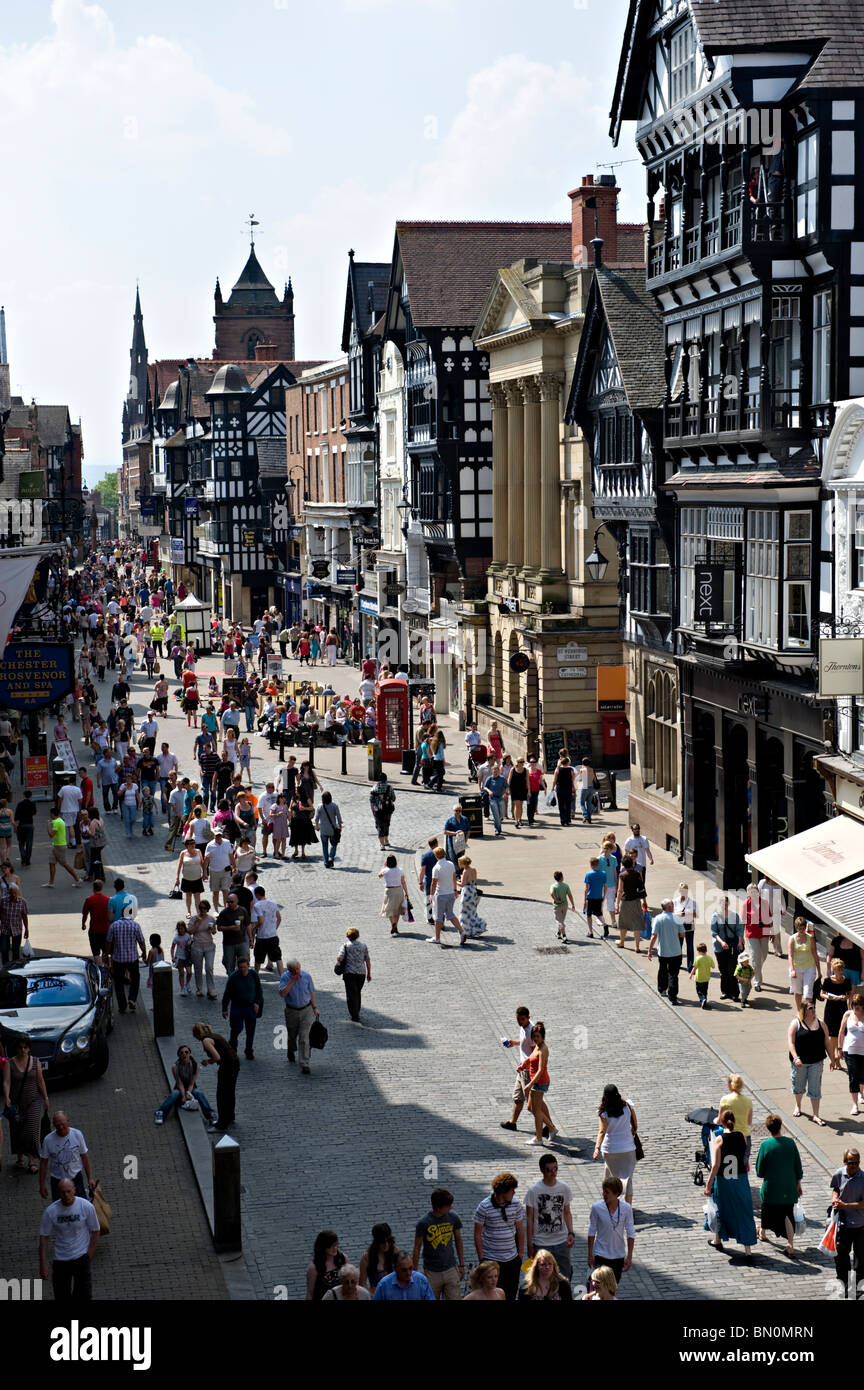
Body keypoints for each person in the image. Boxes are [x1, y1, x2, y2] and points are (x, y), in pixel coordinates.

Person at [39, 1177, 101, 1304]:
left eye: (68, 1191)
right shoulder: (51, 1212)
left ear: (74, 1190)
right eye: (63, 1192)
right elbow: (44, 1238)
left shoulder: (86, 1206)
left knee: (84, 1295)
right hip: (61, 1260)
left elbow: (95, 1231)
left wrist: (88, 1255)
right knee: (62, 1296)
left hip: (81, 1257)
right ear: (58, 1192)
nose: (66, 1195)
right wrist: (43, 1264)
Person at [754, 1113, 803, 1258]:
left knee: (766, 1210)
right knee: (788, 1215)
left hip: (772, 1188)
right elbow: (798, 1166)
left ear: (768, 1128)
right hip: (789, 1187)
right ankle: (790, 1245)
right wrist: (798, 1183)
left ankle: (762, 1233)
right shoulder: (791, 1143)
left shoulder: (765, 1145)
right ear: (780, 1126)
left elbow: (759, 1171)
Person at [473, 1173, 524, 1301]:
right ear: (503, 1191)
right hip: (492, 1260)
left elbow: (519, 1228)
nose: (513, 1193)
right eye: (511, 1190)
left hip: (512, 1259)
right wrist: (482, 1259)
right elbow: (477, 1234)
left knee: (511, 1293)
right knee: (493, 1295)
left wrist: (521, 1254)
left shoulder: (516, 1204)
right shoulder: (484, 1207)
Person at [524, 1153, 575, 1283]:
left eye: (555, 1168)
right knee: (541, 1281)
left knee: (564, 1279)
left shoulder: (564, 1188)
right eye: (549, 1170)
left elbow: (567, 1212)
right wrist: (529, 1243)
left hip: (561, 1242)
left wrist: (571, 1232)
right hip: (541, 1243)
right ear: (542, 1170)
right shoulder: (534, 1191)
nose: (553, 1173)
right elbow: (529, 1218)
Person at [2, 1035, 48, 1173]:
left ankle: (32, 1161)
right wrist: (7, 1097)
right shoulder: (10, 1063)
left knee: (32, 1131)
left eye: (25, 1047)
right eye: (20, 1047)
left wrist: (45, 1097)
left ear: (29, 1049)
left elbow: (40, 1081)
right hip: (17, 1103)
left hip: (33, 1101)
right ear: (16, 1049)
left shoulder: (35, 1062)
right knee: (17, 1130)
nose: (23, 1050)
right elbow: (6, 1082)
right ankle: (20, 1158)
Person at [412, 1189, 464, 1300]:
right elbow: (417, 1248)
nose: (451, 1207)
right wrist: (414, 1273)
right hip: (431, 1272)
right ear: (438, 1207)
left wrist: (461, 1264)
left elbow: (458, 1240)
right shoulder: (423, 1223)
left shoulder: (453, 1218)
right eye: (448, 1205)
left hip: (451, 1269)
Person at [593, 1084, 638, 1203]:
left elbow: (602, 1131)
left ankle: (609, 1203)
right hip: (628, 1149)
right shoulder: (627, 1106)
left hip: (610, 1149)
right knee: (627, 1179)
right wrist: (629, 1135)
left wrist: (597, 1148)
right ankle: (627, 1208)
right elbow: (635, 1125)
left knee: (609, 1176)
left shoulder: (603, 1112)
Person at [587, 1177, 635, 1284]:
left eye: (607, 1192)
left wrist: (629, 1256)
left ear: (616, 1193)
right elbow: (591, 1231)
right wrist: (590, 1254)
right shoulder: (596, 1208)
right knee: (600, 1287)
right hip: (601, 1254)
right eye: (603, 1191)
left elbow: (630, 1232)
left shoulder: (626, 1208)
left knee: (612, 1289)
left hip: (618, 1255)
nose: (604, 1194)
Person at [787, 1000, 829, 1124]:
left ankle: (816, 1114)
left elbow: (827, 1042)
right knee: (798, 1086)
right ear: (804, 1010)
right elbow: (791, 1043)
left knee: (815, 1088)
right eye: (810, 1008)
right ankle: (798, 1105)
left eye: (814, 1008)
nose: (813, 1010)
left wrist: (833, 1059)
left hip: (816, 1061)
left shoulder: (821, 1023)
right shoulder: (796, 1023)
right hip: (800, 1062)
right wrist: (796, 1057)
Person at [192, 1021, 239, 1131]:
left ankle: (221, 1124)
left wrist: (207, 1061)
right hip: (234, 1064)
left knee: (222, 1094)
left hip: (227, 1066)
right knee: (230, 1091)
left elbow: (217, 1057)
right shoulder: (215, 1036)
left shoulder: (206, 1041)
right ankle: (230, 1116)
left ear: (197, 1034)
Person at [829, 1148, 864, 1298]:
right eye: (851, 1163)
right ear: (845, 1162)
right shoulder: (838, 1174)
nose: (854, 1166)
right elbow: (835, 1189)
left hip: (860, 1225)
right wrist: (835, 1199)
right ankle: (842, 1285)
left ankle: (858, 1288)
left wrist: (846, 1206)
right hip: (843, 1225)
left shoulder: (863, 1178)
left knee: (861, 1259)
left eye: (857, 1163)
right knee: (841, 1257)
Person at [39, 1111, 95, 1200]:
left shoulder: (77, 1135)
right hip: (57, 1180)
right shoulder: (48, 1140)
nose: (61, 1127)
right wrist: (42, 1185)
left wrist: (90, 1178)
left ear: (68, 1121)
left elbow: (84, 1157)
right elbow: (43, 1163)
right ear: (53, 1125)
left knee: (81, 1204)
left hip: (76, 1178)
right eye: (57, 1125)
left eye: (63, 1124)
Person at [154, 1044, 215, 1125]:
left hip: (191, 1088)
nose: (184, 1054)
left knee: (199, 1093)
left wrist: (188, 1094)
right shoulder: (175, 1067)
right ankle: (160, 1113)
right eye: (181, 1053)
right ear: (179, 1055)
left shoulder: (195, 1065)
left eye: (186, 1052)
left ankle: (211, 1114)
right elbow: (179, 1083)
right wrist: (183, 1096)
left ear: (190, 1054)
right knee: (174, 1094)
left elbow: (192, 1083)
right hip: (180, 1089)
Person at [519, 1021, 556, 1146]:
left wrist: (530, 1084)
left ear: (543, 1036)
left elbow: (540, 1070)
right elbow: (531, 1058)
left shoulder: (543, 1049)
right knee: (531, 1108)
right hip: (535, 1081)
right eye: (534, 1036)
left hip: (539, 1082)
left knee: (536, 1110)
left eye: (538, 1036)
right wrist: (525, 1063)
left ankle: (539, 1138)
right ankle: (551, 1128)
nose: (535, 1039)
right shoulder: (537, 1046)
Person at [279, 959, 319, 1074]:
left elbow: (311, 992)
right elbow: (282, 994)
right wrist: (292, 981)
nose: (297, 972)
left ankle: (304, 1063)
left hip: (306, 1010)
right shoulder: (285, 977)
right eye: (294, 970)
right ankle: (291, 1050)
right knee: (292, 1035)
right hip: (291, 1011)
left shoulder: (306, 976)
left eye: (298, 969)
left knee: (304, 1037)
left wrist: (314, 1007)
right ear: (289, 970)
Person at [105, 911, 147, 1014]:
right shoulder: (135, 925)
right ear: (131, 914)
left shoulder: (114, 926)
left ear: (122, 914)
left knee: (118, 983)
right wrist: (144, 952)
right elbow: (141, 941)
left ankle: (122, 1005)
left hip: (118, 959)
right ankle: (132, 999)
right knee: (135, 979)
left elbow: (108, 941)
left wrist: (108, 954)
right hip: (132, 958)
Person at [221, 956, 263, 1060]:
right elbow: (227, 994)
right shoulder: (233, 977)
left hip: (250, 1007)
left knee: (250, 1031)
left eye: (244, 967)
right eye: (240, 967)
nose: (242, 969)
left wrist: (257, 1003)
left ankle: (249, 1050)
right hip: (237, 1007)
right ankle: (233, 1048)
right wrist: (224, 1008)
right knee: (236, 1029)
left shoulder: (253, 975)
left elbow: (259, 990)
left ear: (248, 966)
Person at [648, 898, 685, 1004]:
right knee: (673, 974)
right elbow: (682, 934)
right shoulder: (677, 919)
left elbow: (654, 936)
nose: (674, 907)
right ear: (669, 907)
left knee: (663, 970)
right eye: (673, 905)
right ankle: (673, 996)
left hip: (663, 951)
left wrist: (650, 950)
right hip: (676, 952)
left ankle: (662, 989)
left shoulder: (658, 919)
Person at [711, 896, 744, 1001]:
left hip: (732, 946)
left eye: (725, 903)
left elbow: (739, 930)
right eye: (722, 903)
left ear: (728, 904)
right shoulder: (715, 916)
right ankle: (725, 992)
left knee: (732, 970)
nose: (724, 905)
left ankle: (734, 993)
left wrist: (740, 942)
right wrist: (721, 942)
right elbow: (714, 932)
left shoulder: (734, 916)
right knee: (723, 971)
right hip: (720, 947)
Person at [821, 959, 853, 1069]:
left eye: (842, 969)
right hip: (831, 1009)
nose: (841, 971)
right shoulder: (828, 981)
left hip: (842, 1009)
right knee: (834, 1035)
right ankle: (834, 1058)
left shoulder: (846, 981)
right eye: (839, 970)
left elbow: (849, 994)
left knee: (841, 1034)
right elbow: (822, 994)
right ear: (834, 970)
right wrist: (831, 997)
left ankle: (835, 1058)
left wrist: (846, 997)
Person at [336, 926, 371, 1023]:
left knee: (351, 994)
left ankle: (354, 1014)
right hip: (361, 973)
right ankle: (357, 1010)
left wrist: (339, 964)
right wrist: (369, 973)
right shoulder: (363, 946)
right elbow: (367, 960)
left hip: (349, 973)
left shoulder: (345, 946)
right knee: (357, 992)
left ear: (348, 936)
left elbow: (339, 958)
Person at [838, 991, 864, 1115]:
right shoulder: (848, 1014)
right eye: (854, 1005)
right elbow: (841, 1031)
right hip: (850, 1050)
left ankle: (860, 1093)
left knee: (862, 1075)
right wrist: (839, 1048)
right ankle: (854, 1105)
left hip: (863, 1050)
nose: (856, 1007)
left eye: (858, 1005)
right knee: (853, 1076)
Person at [718, 1074, 753, 1165]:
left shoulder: (725, 1100)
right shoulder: (748, 1101)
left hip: (729, 1137)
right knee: (742, 1165)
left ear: (730, 1085)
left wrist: (714, 1120)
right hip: (745, 1137)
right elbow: (749, 1122)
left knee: (728, 1165)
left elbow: (719, 1120)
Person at [43, 805, 81, 888]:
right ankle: (51, 882)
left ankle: (77, 879)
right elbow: (53, 822)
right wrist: (51, 823)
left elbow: (51, 835)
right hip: (57, 846)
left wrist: (48, 826)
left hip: (59, 846)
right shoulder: (59, 820)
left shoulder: (56, 823)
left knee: (65, 864)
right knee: (51, 862)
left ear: (53, 814)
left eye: (50, 814)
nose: (50, 815)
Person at [744, 882, 773, 993]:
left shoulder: (764, 903)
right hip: (752, 934)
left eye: (755, 891)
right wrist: (740, 939)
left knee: (764, 955)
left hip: (764, 932)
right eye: (751, 892)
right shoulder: (746, 904)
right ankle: (757, 982)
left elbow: (770, 919)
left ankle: (757, 970)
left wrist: (772, 933)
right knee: (756, 956)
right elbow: (743, 921)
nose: (754, 894)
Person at [429, 846, 460, 946]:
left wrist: (431, 895)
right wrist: (455, 890)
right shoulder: (450, 864)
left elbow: (433, 883)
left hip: (441, 895)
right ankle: (462, 931)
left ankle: (437, 938)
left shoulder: (436, 868)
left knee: (438, 917)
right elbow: (454, 878)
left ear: (436, 856)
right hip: (451, 893)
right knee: (450, 914)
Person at [787, 916, 821, 1010]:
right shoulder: (792, 939)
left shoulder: (810, 938)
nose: (801, 930)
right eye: (799, 928)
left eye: (802, 928)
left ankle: (808, 1012)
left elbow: (815, 954)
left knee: (807, 993)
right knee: (797, 992)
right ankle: (799, 1011)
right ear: (796, 928)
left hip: (809, 967)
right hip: (796, 967)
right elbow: (790, 955)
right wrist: (792, 969)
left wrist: (819, 971)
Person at [616, 854, 648, 952]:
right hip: (636, 900)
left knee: (623, 923)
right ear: (632, 863)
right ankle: (637, 946)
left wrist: (617, 903)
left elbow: (620, 890)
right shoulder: (638, 874)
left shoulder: (622, 876)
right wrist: (644, 901)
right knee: (637, 923)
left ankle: (622, 942)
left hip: (625, 901)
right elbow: (642, 888)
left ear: (623, 865)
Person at [250, 885, 284, 977]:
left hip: (262, 936)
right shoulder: (273, 903)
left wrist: (254, 928)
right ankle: (282, 977)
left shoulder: (258, 905)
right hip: (273, 935)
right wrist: (274, 928)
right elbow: (279, 918)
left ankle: (256, 977)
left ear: (257, 895)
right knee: (278, 957)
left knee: (258, 958)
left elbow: (260, 921)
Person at [188, 900, 218, 1000]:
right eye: (200, 908)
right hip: (197, 946)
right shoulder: (194, 919)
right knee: (198, 968)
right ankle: (199, 988)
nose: (202, 910)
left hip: (209, 946)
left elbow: (214, 932)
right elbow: (190, 932)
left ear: (208, 909)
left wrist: (212, 929)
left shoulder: (211, 919)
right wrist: (197, 923)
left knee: (209, 967)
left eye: (204, 908)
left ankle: (211, 989)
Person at [216, 891, 251, 975]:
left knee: (245, 962)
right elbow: (219, 928)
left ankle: (243, 979)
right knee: (229, 964)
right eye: (228, 902)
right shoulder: (224, 913)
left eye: (231, 902)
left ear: (237, 901)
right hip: (229, 943)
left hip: (242, 941)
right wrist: (231, 927)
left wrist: (251, 939)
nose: (229, 903)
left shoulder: (242, 910)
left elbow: (247, 925)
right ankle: (231, 980)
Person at [306, 1230, 348, 1300]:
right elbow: (310, 1293)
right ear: (323, 1247)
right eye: (330, 1246)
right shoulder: (314, 1267)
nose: (334, 1248)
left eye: (336, 1245)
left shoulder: (343, 1259)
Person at [358, 1222, 399, 1292]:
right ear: (376, 1242)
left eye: (388, 1241)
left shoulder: (395, 1251)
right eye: (382, 1242)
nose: (386, 1244)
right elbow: (362, 1284)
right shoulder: (367, 1258)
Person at [456, 855, 486, 945]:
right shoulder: (474, 870)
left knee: (464, 912)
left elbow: (462, 884)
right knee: (472, 911)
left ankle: (466, 930)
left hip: (466, 893)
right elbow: (474, 881)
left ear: (463, 863)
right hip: (473, 891)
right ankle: (473, 928)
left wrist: (454, 881)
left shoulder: (465, 871)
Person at [380, 854, 409, 937]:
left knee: (389, 909)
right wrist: (406, 892)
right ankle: (395, 925)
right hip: (399, 890)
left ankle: (393, 923)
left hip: (389, 891)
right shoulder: (400, 870)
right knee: (397, 909)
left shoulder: (385, 870)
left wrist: (384, 866)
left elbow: (379, 875)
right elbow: (403, 882)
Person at [81, 880, 111, 959]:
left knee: (96, 952)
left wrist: (83, 924)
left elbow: (85, 914)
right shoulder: (108, 899)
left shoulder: (89, 900)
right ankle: (106, 966)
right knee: (106, 951)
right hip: (106, 930)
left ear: (93, 888)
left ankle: (99, 965)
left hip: (94, 930)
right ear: (102, 888)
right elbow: (111, 914)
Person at [673, 882, 699, 971]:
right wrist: (681, 914)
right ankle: (677, 963)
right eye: (681, 891)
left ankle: (690, 966)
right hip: (679, 927)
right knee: (678, 946)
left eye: (685, 891)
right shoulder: (675, 901)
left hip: (689, 927)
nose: (683, 892)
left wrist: (690, 913)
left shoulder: (692, 902)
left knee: (690, 947)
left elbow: (697, 915)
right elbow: (672, 914)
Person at [597, 838, 619, 938]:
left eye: (607, 848)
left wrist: (616, 883)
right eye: (604, 848)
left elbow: (615, 872)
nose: (605, 850)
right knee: (601, 902)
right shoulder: (599, 859)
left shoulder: (613, 859)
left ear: (610, 849)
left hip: (611, 885)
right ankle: (600, 918)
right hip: (602, 885)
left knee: (611, 903)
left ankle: (613, 920)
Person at [314, 791, 342, 869]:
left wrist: (317, 826)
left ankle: (326, 862)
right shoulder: (334, 806)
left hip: (323, 829)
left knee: (324, 846)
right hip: (332, 829)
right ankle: (331, 857)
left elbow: (316, 818)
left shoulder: (320, 806)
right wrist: (340, 826)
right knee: (334, 844)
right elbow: (339, 818)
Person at [583, 857, 607, 941]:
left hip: (590, 897)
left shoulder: (588, 874)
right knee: (599, 913)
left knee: (589, 915)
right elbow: (605, 886)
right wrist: (604, 895)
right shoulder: (603, 873)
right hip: (599, 897)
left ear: (591, 865)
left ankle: (590, 932)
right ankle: (604, 924)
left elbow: (586, 888)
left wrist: (584, 900)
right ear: (598, 864)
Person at [483, 763, 510, 836]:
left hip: (501, 798)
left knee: (501, 814)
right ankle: (497, 830)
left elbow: (507, 787)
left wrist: (505, 793)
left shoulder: (502, 779)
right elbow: (485, 787)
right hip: (493, 798)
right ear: (492, 772)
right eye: (494, 771)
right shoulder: (490, 778)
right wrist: (489, 791)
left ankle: (499, 822)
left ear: (498, 771)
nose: (495, 773)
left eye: (496, 771)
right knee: (496, 815)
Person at [623, 822, 653, 886]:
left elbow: (647, 850)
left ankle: (641, 894)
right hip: (632, 865)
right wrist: (624, 863)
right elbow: (626, 852)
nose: (637, 830)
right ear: (632, 830)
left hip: (642, 865)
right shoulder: (629, 840)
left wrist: (651, 859)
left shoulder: (644, 839)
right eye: (635, 829)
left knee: (642, 882)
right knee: (633, 883)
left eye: (638, 828)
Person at [418, 837, 439, 927]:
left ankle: (430, 917)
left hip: (429, 880)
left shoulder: (425, 855)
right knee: (438, 899)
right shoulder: (441, 853)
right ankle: (438, 917)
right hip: (439, 880)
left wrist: (420, 882)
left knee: (428, 899)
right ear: (436, 843)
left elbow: (422, 870)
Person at [370, 774, 395, 849]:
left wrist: (373, 812)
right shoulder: (389, 787)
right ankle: (386, 840)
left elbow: (371, 802)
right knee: (387, 824)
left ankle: (382, 844)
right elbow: (393, 799)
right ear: (386, 779)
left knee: (380, 826)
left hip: (378, 811)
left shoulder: (374, 788)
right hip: (388, 810)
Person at [690, 941, 716, 1010]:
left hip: (698, 978)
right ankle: (705, 1000)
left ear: (699, 951)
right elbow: (713, 966)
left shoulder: (698, 958)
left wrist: (691, 975)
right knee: (705, 990)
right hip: (706, 977)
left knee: (699, 990)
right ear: (706, 950)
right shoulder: (709, 958)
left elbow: (694, 968)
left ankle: (702, 999)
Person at [13, 789, 36, 867]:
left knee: (21, 842)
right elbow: (34, 813)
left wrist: (15, 826)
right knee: (29, 843)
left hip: (21, 825)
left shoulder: (20, 804)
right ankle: (28, 860)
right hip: (30, 824)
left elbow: (16, 817)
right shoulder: (32, 803)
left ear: (24, 795)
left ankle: (23, 856)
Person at [550, 870, 575, 942]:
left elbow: (551, 893)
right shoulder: (566, 886)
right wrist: (573, 904)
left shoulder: (553, 886)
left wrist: (556, 900)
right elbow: (570, 895)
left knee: (560, 921)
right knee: (561, 920)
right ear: (561, 878)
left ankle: (564, 936)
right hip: (565, 905)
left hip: (557, 906)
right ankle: (559, 933)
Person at [550, 756, 575, 828]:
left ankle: (563, 820)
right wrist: (573, 789)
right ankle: (568, 820)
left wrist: (552, 788)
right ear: (567, 763)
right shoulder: (571, 770)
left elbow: (554, 780)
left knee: (561, 805)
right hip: (568, 788)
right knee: (568, 804)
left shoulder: (557, 769)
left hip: (560, 788)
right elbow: (572, 780)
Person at [507, 758, 529, 828]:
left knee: (521, 805)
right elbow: (509, 780)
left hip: (522, 789)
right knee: (517, 804)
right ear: (517, 762)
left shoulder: (526, 770)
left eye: (523, 762)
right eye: (520, 762)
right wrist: (508, 789)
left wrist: (529, 791)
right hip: (514, 789)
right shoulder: (512, 770)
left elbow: (528, 781)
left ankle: (520, 819)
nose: (522, 763)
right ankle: (516, 820)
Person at [526, 756, 546, 827]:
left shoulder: (538, 771)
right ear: (529, 763)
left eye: (534, 762)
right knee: (529, 805)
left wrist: (545, 788)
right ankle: (529, 819)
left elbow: (541, 780)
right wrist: (528, 791)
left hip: (536, 790)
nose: (532, 763)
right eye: (531, 762)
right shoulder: (527, 770)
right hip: (529, 790)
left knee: (534, 804)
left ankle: (532, 818)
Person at [577, 756, 596, 826]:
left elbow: (579, 779)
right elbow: (594, 779)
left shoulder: (582, 770)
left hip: (584, 787)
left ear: (582, 763)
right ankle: (589, 819)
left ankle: (586, 816)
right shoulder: (592, 769)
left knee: (582, 803)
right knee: (589, 803)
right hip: (591, 787)